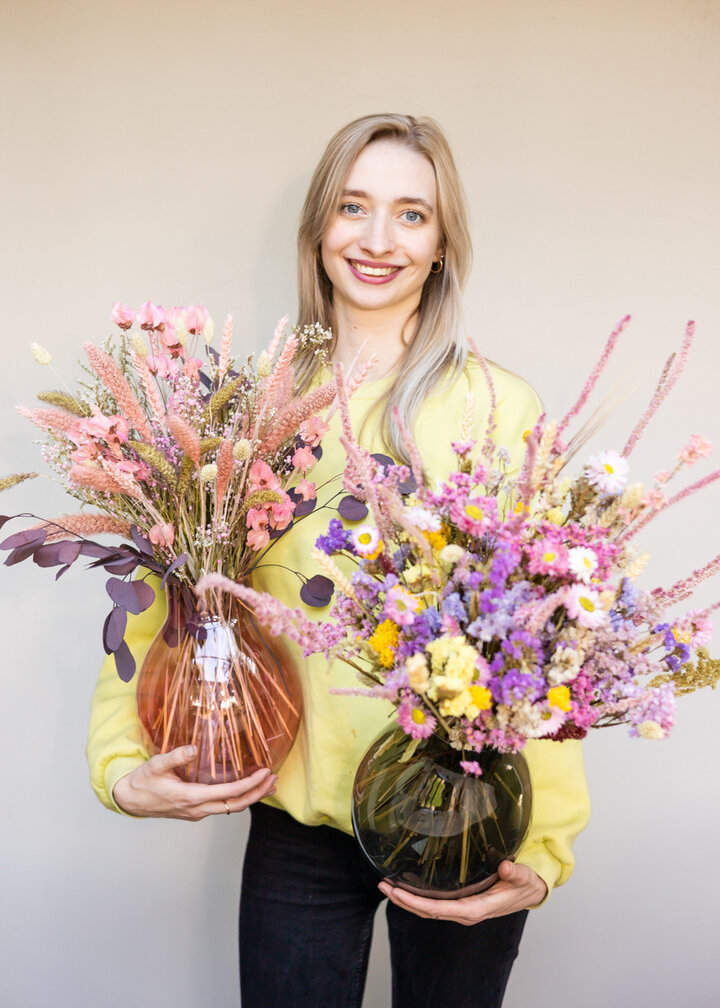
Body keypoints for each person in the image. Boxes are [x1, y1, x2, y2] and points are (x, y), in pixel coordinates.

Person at [87, 113, 590, 1008]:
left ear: (442, 245)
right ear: (319, 227)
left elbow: (542, 651)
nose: (376, 238)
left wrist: (542, 854)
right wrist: (122, 766)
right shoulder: (240, 410)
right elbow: (169, 589)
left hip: (463, 818)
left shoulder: (500, 410)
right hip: (297, 829)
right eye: (353, 206)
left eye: (411, 214)